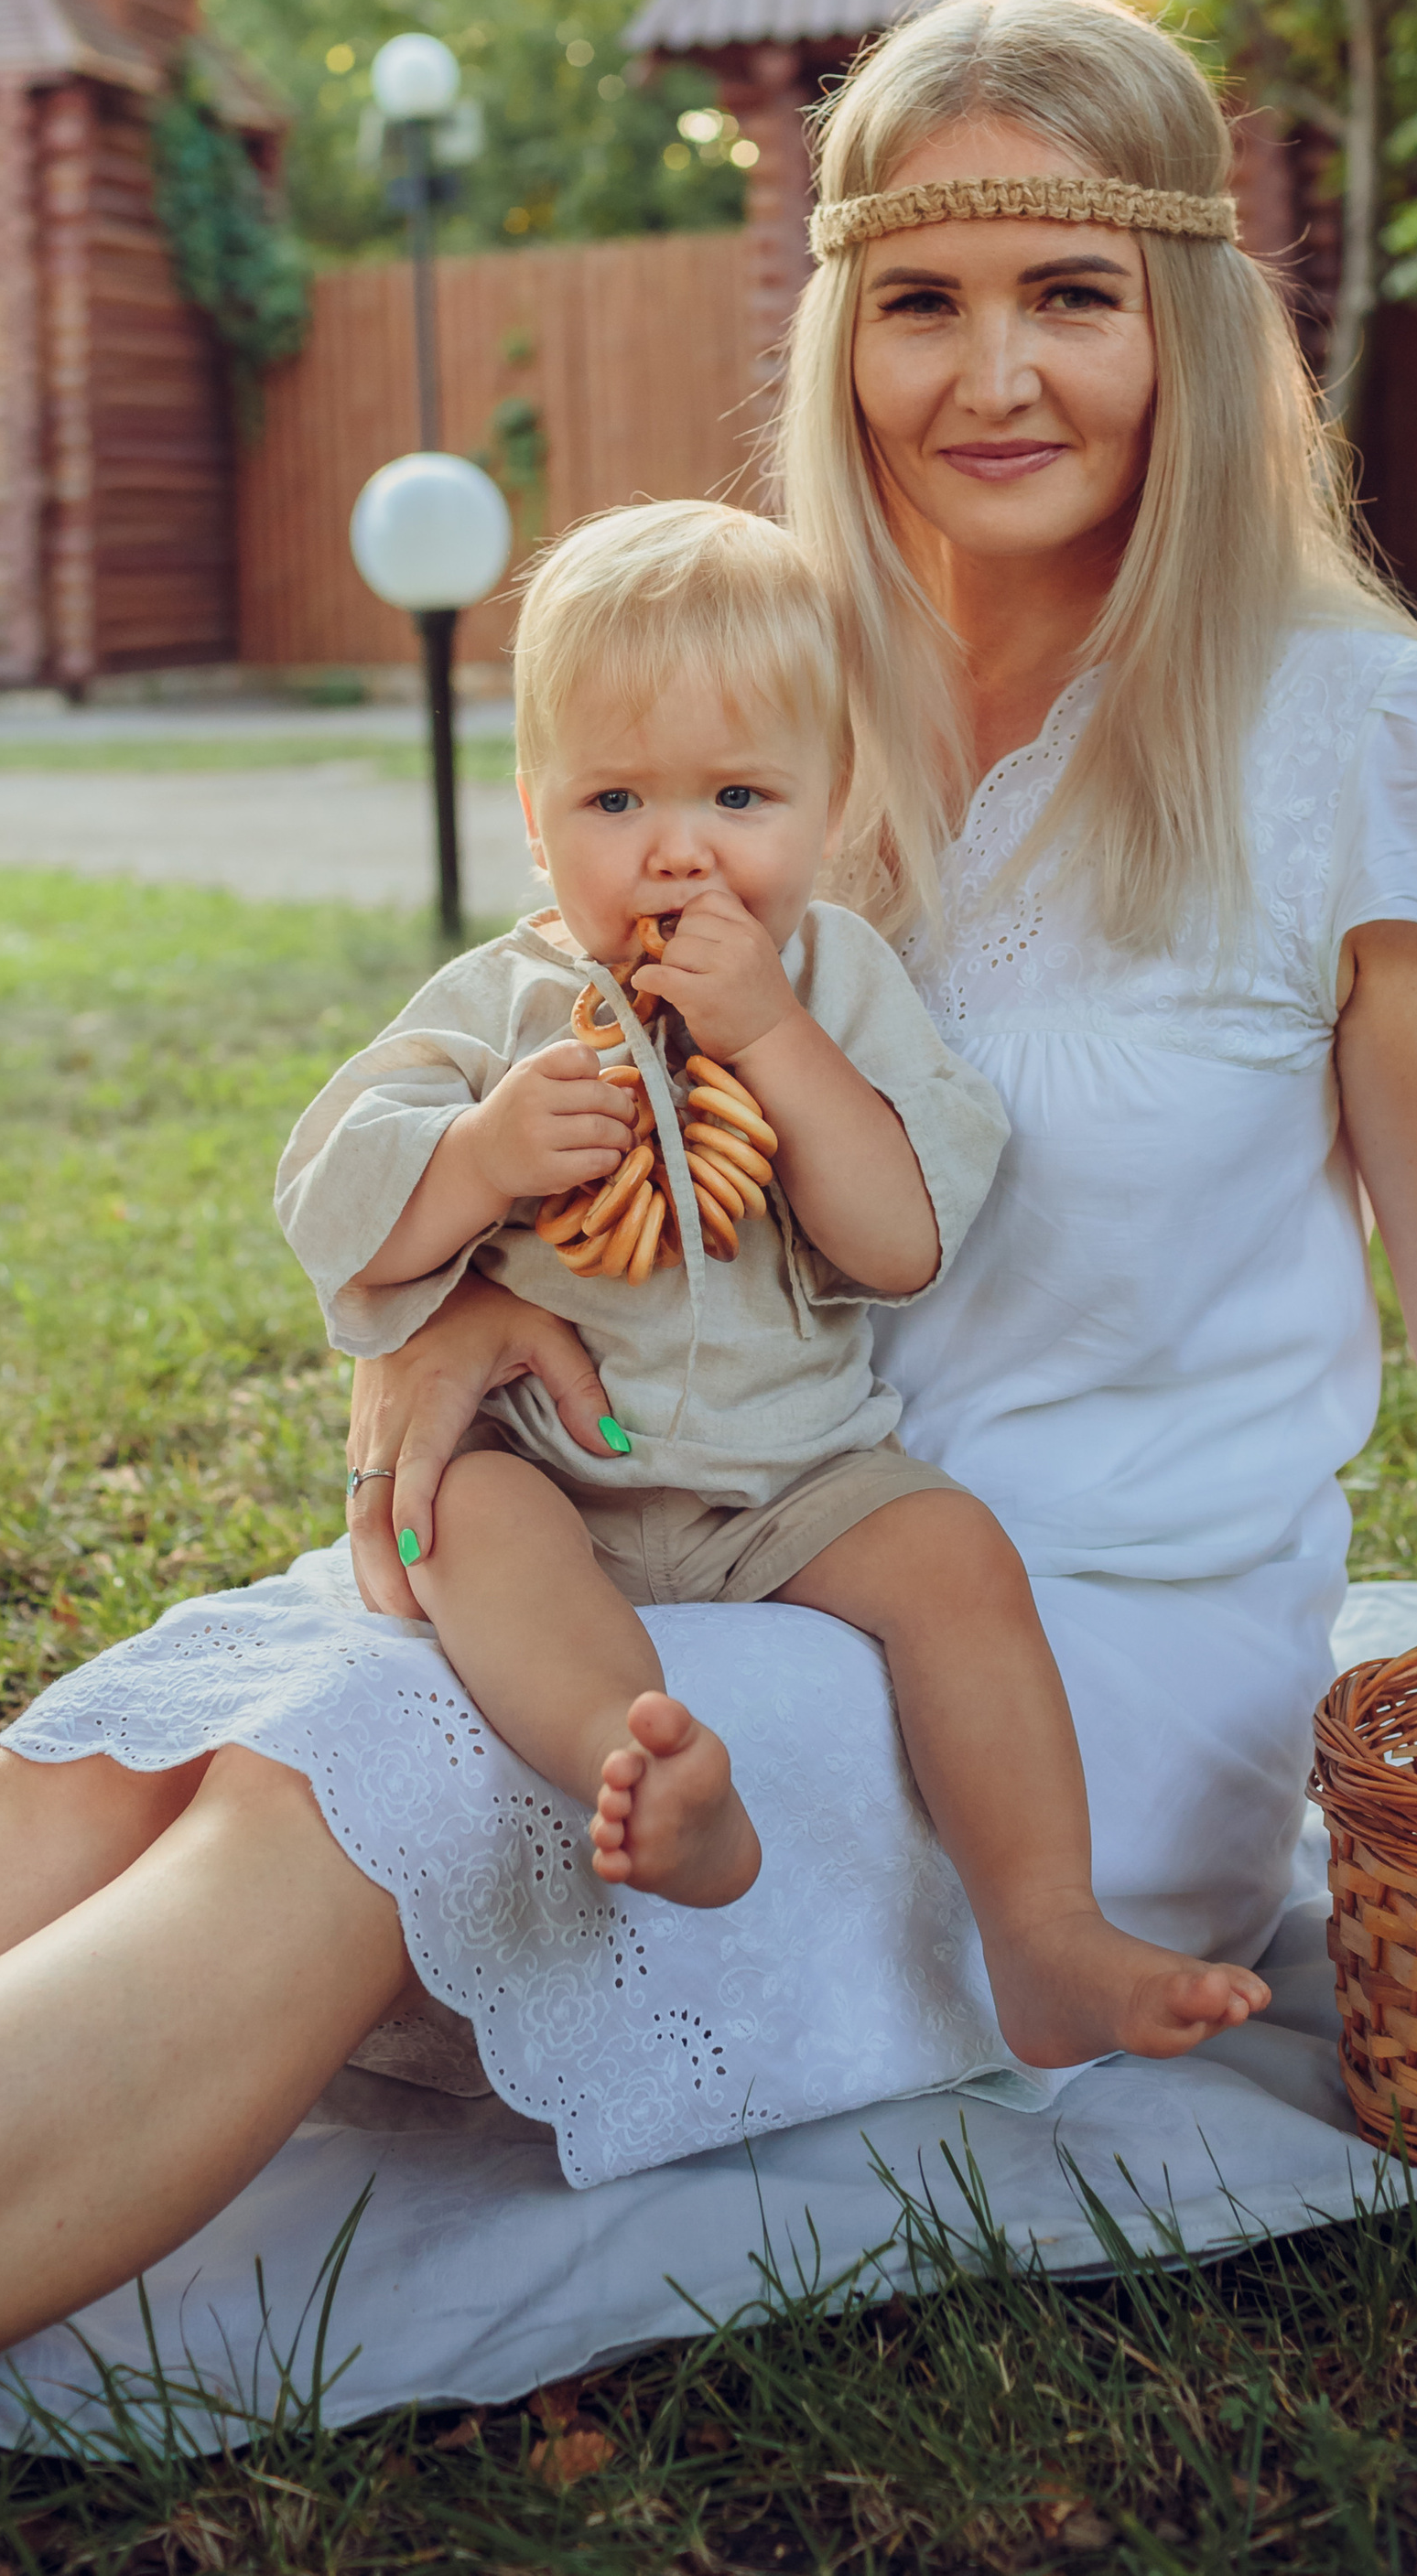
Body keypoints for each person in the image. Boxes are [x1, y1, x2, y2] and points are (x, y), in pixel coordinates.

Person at [0, 0, 1417, 2519]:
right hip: (687, 1511)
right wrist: (443, 1312)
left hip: (1064, 1657)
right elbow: (548, 1087)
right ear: (838, 327)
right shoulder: (774, 682)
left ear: (1196, 324)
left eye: (1074, 296)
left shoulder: (1368, 736)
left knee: (338, 1798)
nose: (992, 374)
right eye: (920, 300)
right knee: (114, 1769)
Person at [282, 495, 1271, 2059]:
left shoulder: (838, 987)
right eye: (615, 798)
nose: (678, 847)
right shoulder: (505, 1002)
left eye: (739, 793)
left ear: (831, 804)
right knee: (465, 1522)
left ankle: (1046, 1933)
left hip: (797, 1473)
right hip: (560, 1465)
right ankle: (650, 1764)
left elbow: (899, 1236)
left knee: (956, 1564)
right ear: (535, 819)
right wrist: (474, 1157)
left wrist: (773, 1043)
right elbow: (333, 1205)